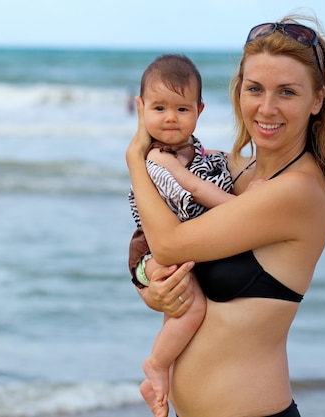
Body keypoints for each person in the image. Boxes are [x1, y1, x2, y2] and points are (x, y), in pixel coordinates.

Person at [126, 14, 325, 417]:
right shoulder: (227, 169)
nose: (267, 107)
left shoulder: (298, 192)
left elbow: (169, 244)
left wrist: (137, 157)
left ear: (317, 100)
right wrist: (148, 285)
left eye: (287, 92)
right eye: (254, 88)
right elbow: (155, 242)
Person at [128, 54, 234, 417]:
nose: (170, 117)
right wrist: (245, 202)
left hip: (176, 250)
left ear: (199, 111)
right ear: (141, 109)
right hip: (151, 250)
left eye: (182, 109)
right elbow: (204, 202)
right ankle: (156, 365)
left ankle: (162, 379)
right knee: (194, 307)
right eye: (159, 108)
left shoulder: (201, 154)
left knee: (177, 311)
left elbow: (213, 175)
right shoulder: (156, 162)